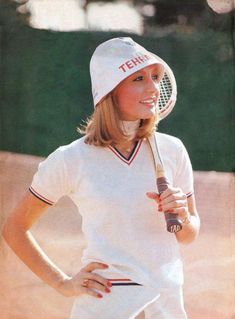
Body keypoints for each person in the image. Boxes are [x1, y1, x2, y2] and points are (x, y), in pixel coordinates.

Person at [2, 37, 200, 319]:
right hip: (105, 307)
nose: (153, 87)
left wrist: (181, 216)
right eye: (138, 79)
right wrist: (62, 282)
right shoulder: (71, 158)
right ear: (110, 90)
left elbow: (190, 234)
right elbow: (15, 227)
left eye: (156, 77)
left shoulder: (173, 150)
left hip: (167, 307)